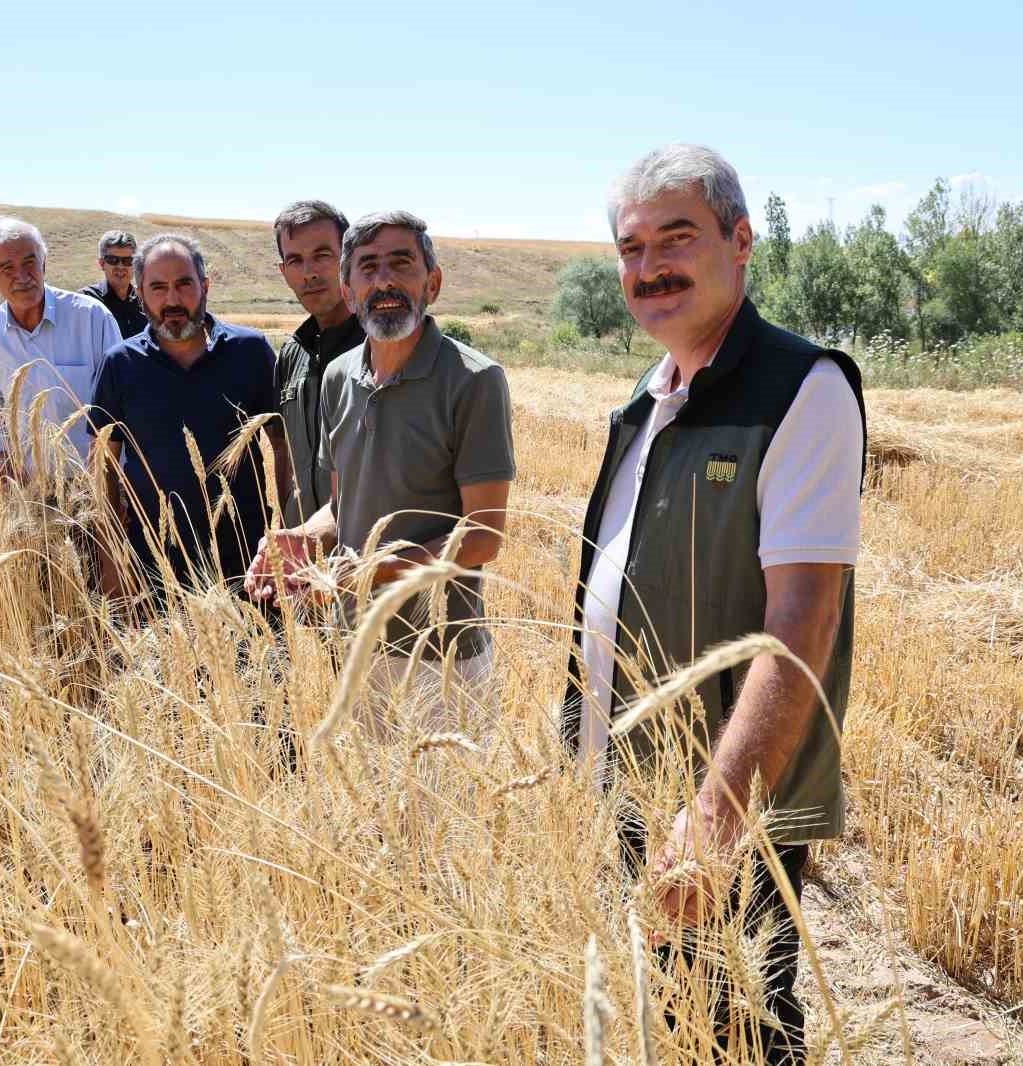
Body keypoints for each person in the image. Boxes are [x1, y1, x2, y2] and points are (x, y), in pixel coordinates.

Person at [561, 144, 865, 1064]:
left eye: (676, 237)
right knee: (666, 1021)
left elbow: (801, 627)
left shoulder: (801, 389)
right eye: (630, 247)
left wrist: (717, 815)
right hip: (630, 776)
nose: (648, 266)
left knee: (736, 1027)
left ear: (741, 241)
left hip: (722, 791)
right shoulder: (648, 400)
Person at [245, 211, 515, 743]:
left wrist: (376, 570)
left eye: (401, 263)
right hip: (354, 646)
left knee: (446, 824)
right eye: (368, 268)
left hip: (442, 657)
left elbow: (484, 536)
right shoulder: (339, 378)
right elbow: (342, 506)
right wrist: (302, 538)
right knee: (373, 822)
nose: (385, 281)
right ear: (349, 291)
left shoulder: (475, 380)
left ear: (431, 283)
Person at [88, 233, 290, 600]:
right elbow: (103, 462)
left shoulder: (251, 351)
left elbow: (284, 442)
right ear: (140, 293)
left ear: (205, 285)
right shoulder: (120, 363)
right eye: (158, 287)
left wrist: (286, 531)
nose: (172, 299)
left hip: (247, 561)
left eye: (184, 284)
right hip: (153, 563)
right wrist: (112, 558)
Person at [0, 214, 122, 485]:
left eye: (30, 263)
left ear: (44, 263)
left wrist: (108, 487)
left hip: (96, 487)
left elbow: (120, 405)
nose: (23, 277)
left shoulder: (92, 318)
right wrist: (6, 475)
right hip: (28, 496)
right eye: (7, 268)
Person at [270, 201, 365, 527]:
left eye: (323, 255)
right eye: (295, 260)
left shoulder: (381, 346)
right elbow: (284, 452)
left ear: (349, 257)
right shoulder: (291, 356)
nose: (309, 272)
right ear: (283, 272)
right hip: (304, 557)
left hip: (371, 558)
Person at [81, 229, 148, 339]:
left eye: (127, 261)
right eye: (113, 260)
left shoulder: (146, 301)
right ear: (102, 264)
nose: (120, 267)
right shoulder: (87, 300)